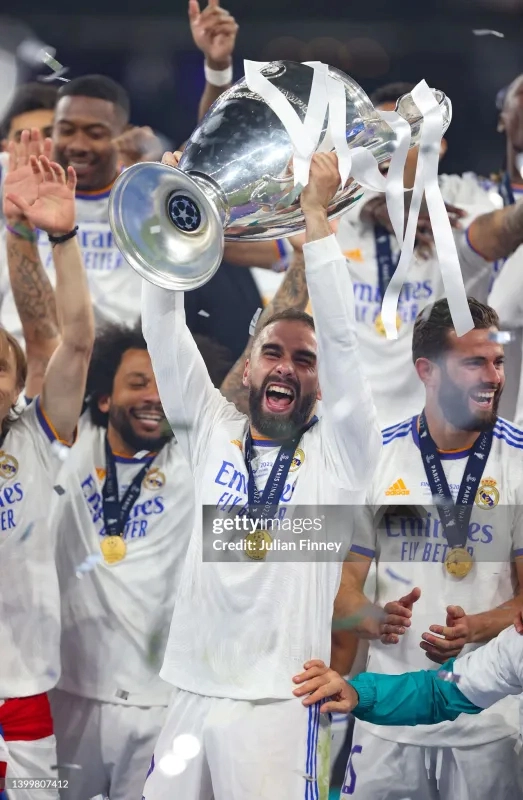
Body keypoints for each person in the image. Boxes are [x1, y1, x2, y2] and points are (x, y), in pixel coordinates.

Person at [140, 149, 380, 800]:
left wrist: (315, 218)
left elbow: (342, 341)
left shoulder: (343, 453)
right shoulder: (210, 428)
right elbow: (162, 327)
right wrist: (171, 212)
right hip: (190, 690)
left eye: (304, 360)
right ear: (247, 368)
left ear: (323, 383)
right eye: (271, 353)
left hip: (278, 700)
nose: (285, 367)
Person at [327, 296, 523, 800]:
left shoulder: (518, 461)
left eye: (498, 361)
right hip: (387, 724)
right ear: (426, 371)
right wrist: (372, 617)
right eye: (474, 362)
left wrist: (475, 627)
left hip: (488, 726)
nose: (494, 377)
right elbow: (341, 590)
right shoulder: (379, 458)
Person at [0, 124, 94, 798]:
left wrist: (60, 239)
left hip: (24, 693)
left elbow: (75, 342)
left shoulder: (33, 437)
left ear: (16, 384)